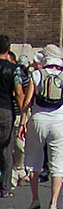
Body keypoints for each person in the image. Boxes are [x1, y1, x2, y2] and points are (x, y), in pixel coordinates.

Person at [24, 48, 63, 209]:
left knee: (33, 159)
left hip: (38, 120)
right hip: (59, 122)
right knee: (58, 162)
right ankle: (54, 203)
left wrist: (24, 121)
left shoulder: (36, 75)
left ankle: (35, 198)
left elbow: (27, 102)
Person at [0, 36, 28, 198]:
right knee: (6, 149)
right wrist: (23, 112)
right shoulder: (13, 69)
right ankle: (5, 187)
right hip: (5, 110)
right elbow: (18, 92)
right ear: (8, 49)